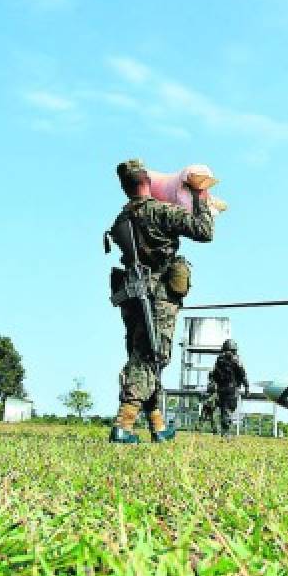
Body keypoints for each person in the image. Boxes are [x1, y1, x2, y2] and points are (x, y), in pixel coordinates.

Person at [106, 159, 214, 443]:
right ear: (148, 181)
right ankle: (124, 425)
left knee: (144, 357)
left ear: (124, 187)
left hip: (133, 295)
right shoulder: (161, 212)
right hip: (159, 297)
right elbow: (205, 232)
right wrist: (198, 196)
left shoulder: (119, 221)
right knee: (152, 358)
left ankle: (158, 426)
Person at [207, 338, 249, 437]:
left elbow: (214, 375)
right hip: (231, 390)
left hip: (222, 389)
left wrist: (212, 384)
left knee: (223, 412)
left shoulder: (219, 360)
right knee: (227, 412)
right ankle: (225, 434)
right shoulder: (235, 360)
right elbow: (243, 375)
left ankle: (222, 432)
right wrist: (247, 387)